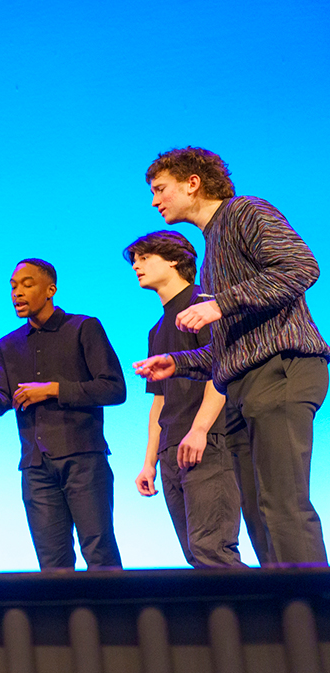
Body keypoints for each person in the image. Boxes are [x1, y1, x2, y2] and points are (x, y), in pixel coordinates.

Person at [134, 146, 330, 566]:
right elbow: (232, 347)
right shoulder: (212, 248)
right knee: (258, 513)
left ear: (193, 183)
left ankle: (313, 604)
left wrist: (221, 304)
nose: (154, 201)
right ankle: (284, 603)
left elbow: (301, 267)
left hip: (281, 370)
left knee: (282, 504)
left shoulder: (244, 212)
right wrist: (179, 362)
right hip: (243, 387)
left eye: (160, 189)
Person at [0, 259, 125, 571]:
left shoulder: (83, 328)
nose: (17, 292)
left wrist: (53, 390)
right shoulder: (8, 345)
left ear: (50, 290)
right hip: (36, 467)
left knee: (99, 552)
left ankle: (111, 606)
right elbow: (1, 403)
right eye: (13, 286)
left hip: (83, 460)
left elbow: (114, 389)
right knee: (52, 564)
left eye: (27, 284)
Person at [125, 231, 244, 567]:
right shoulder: (157, 329)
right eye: (134, 260)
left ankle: (266, 602)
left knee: (213, 550)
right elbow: (159, 401)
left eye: (144, 258)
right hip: (172, 451)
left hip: (208, 442)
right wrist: (150, 462)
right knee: (196, 555)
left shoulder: (204, 306)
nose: (136, 266)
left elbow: (222, 368)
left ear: (175, 259)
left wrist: (200, 430)